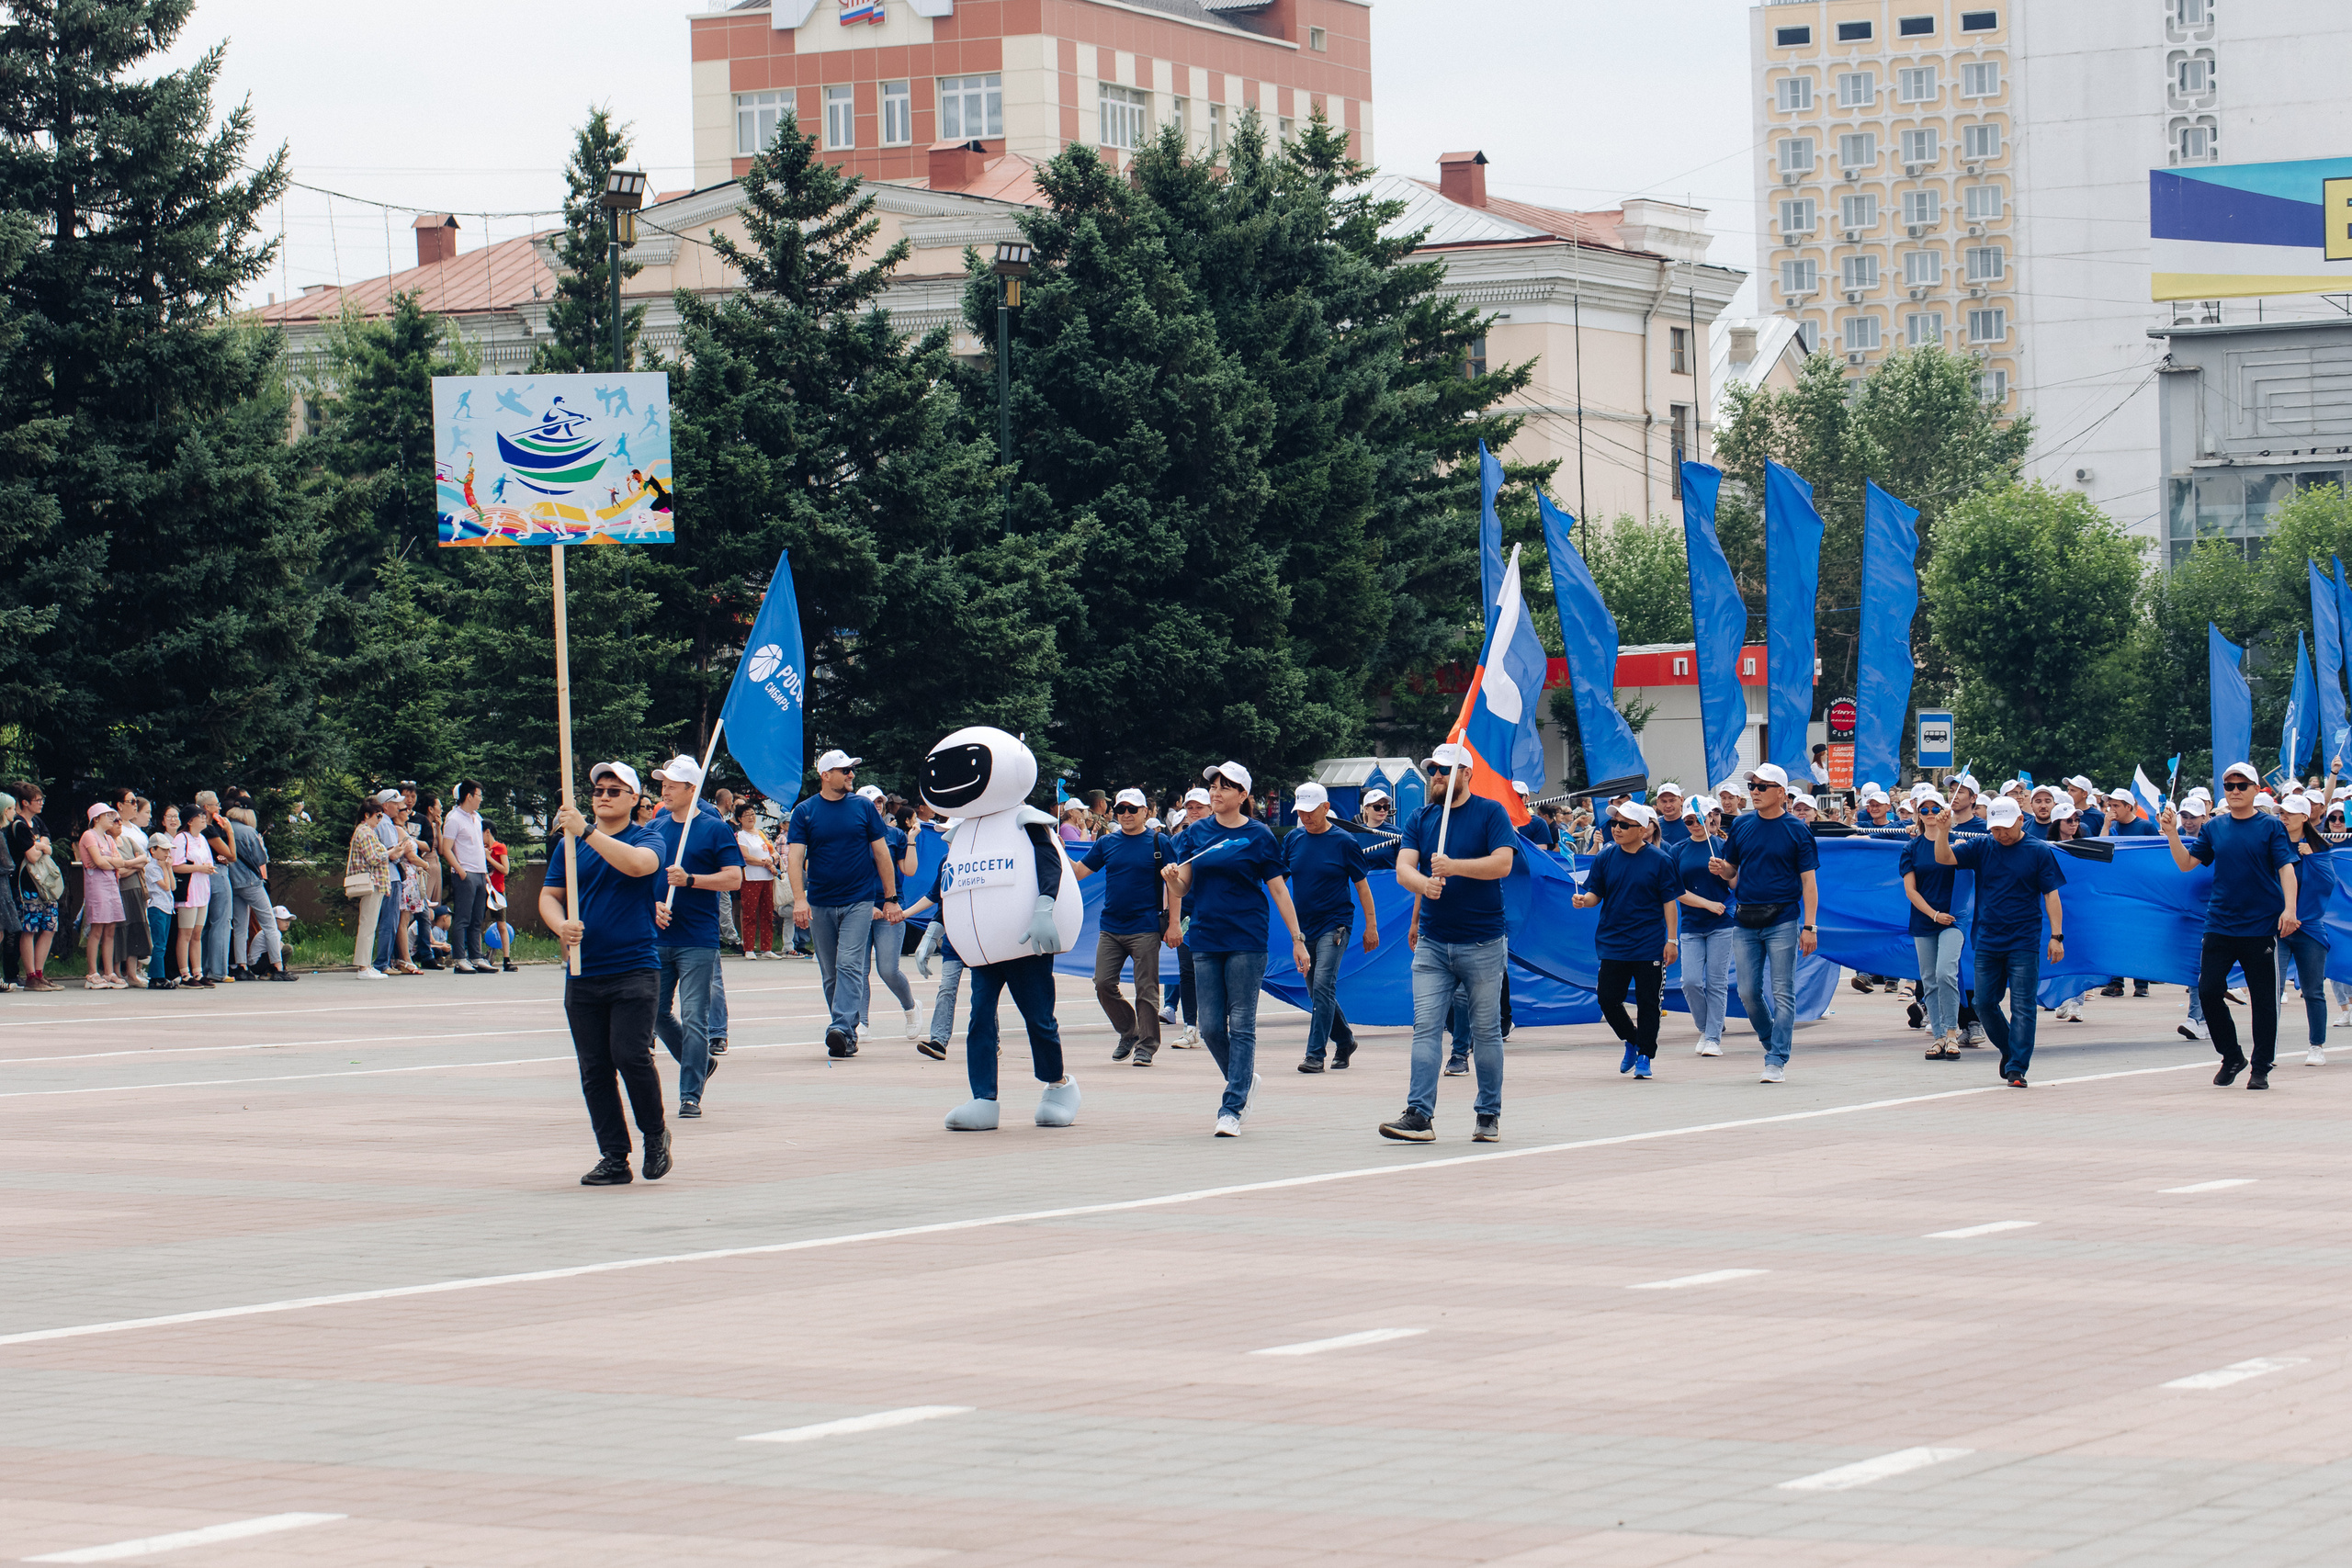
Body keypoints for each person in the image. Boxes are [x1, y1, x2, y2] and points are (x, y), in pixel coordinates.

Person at [541, 761, 672, 1187]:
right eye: (599, 789)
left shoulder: (647, 836)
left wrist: (588, 832)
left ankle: (655, 1135)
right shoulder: (568, 846)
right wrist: (560, 924)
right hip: (583, 971)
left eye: (615, 790)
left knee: (629, 1054)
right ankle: (614, 1156)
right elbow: (549, 895)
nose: (603, 796)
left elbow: (638, 866)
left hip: (633, 967)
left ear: (634, 799)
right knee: (594, 1067)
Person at [1378, 744, 1516, 1143]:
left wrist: (1453, 868)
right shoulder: (1422, 818)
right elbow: (1405, 866)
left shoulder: (1490, 813)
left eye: (1444, 769)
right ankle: (1419, 1114)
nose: (1436, 775)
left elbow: (1503, 863)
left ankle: (1488, 1115)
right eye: (1432, 769)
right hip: (1434, 943)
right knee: (1425, 1028)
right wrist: (1423, 884)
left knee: (1486, 1031)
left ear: (1466, 774)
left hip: (1483, 942)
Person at [1165, 761, 1309, 1137]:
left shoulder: (1259, 836)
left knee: (1241, 1023)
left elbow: (1278, 889)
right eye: (1213, 786)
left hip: (1246, 939)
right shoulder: (1197, 833)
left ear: (1243, 796)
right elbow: (1183, 889)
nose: (1216, 793)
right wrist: (1173, 880)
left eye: (1226, 787)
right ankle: (1242, 1080)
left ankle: (1232, 1107)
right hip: (1207, 939)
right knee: (1211, 1026)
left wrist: (1297, 939)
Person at [2164, 761, 2299, 1089]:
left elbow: (2286, 869)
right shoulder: (2214, 828)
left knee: (2264, 1001)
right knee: (2209, 990)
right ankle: (2232, 1056)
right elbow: (2186, 864)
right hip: (2220, 923)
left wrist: (2289, 909)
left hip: (2260, 926)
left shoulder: (2270, 826)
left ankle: (2261, 1067)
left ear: (2255, 789)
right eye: (2229, 786)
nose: (2235, 791)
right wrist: (2171, 833)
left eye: (2242, 785)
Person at [1930, 796, 2067, 1088]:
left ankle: (2017, 1067)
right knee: (1984, 1003)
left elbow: (2051, 895)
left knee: (2023, 1006)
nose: (2001, 834)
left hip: (2024, 940)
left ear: (2020, 820)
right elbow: (1944, 858)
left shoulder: (2038, 851)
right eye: (1996, 829)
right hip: (1989, 939)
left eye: (2006, 827)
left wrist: (2056, 936)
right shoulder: (1983, 846)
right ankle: (2010, 1049)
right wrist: (1942, 831)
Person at [786, 749, 903, 1059]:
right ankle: (846, 1034)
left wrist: (890, 899)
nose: (851, 775)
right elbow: (795, 857)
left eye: (852, 769)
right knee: (830, 972)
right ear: (825, 775)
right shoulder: (805, 811)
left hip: (859, 900)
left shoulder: (863, 808)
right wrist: (800, 899)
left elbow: (882, 854)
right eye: (844, 770)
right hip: (821, 902)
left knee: (849, 963)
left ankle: (840, 1026)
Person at [648, 754, 744, 1120]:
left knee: (694, 1016)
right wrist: (651, 905)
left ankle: (690, 1094)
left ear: (692, 789)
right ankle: (700, 1061)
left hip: (697, 940)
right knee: (654, 1012)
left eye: (672, 786)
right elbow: (642, 875)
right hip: (659, 936)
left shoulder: (713, 828)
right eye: (662, 785)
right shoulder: (656, 827)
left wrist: (691, 880)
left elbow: (734, 878)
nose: (665, 791)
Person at [1709, 763, 1819, 1083]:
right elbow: (1732, 873)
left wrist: (1810, 926)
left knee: (1783, 991)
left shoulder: (1797, 829)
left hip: (1783, 918)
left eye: (1761, 787)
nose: (1754, 791)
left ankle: (1776, 1059)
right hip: (1744, 918)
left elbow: (1809, 883)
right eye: (1752, 786)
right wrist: (1722, 870)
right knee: (1746, 992)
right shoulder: (1742, 826)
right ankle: (1773, 1042)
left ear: (1781, 793)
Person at [1575, 800, 1680, 1079]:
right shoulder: (1605, 858)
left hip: (1648, 943)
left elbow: (1670, 903)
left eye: (1624, 824)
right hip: (1613, 942)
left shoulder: (1660, 860)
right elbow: (1595, 894)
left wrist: (1672, 940)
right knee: (1607, 998)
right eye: (1614, 824)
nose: (1616, 829)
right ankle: (1632, 1039)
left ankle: (1645, 1054)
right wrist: (1583, 901)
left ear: (1643, 830)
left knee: (1648, 1002)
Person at [1281, 781, 1378, 1073]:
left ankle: (1314, 1055)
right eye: (1301, 811)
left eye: (1311, 811)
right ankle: (1345, 1040)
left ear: (1326, 808)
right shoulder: (1294, 840)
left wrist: (1371, 927)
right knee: (1316, 992)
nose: (1306, 817)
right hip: (1305, 928)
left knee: (1323, 985)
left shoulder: (1344, 842)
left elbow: (1363, 888)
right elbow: (1279, 882)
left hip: (1335, 925)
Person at [1076, 786, 1176, 1066]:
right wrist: (1050, 844)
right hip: (1111, 927)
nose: (1127, 814)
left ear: (1146, 811)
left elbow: (1175, 885)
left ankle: (1147, 1046)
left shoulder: (1159, 842)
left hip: (1145, 927)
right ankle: (1129, 1031)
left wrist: (1174, 924)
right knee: (1103, 983)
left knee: (1147, 989)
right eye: (1121, 809)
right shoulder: (1107, 843)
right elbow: (1078, 872)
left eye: (1133, 809)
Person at [1904, 790, 1965, 1059]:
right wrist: (1933, 914)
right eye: (1924, 810)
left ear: (1945, 811)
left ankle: (1953, 1031)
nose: (1930, 814)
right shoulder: (1911, 848)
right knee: (1929, 980)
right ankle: (1939, 1035)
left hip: (1953, 920)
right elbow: (1911, 891)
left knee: (1945, 973)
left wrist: (1943, 915)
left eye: (1935, 809)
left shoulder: (1959, 843)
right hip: (1925, 919)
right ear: (1918, 814)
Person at [2277, 789, 2335, 1068]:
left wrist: (2310, 857)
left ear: (2304, 816)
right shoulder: (2273, 843)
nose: (2284, 816)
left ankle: (2317, 1046)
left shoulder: (2319, 847)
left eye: (2289, 812)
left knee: (2313, 991)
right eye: (2282, 812)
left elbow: (2326, 885)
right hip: (2278, 929)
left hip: (2309, 928)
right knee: (2270, 989)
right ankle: (2267, 1048)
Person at [1673, 803, 1736, 1057]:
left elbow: (1735, 883)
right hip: (1691, 924)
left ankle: (1713, 1037)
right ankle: (1706, 1027)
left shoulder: (1722, 847)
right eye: (1689, 821)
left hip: (1722, 924)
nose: (1695, 825)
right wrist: (1707, 904)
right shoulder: (1678, 850)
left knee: (1717, 982)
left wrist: (1724, 871)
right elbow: (1676, 890)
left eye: (1699, 819)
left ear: (1710, 818)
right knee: (1689, 982)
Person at [858, 795, 922, 1042]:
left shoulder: (894, 835)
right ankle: (860, 1022)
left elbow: (909, 870)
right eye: (870, 801)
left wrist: (911, 840)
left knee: (888, 969)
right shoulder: (852, 834)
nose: (876, 805)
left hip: (891, 907)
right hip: (859, 906)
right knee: (858, 970)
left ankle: (911, 1007)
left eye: (879, 801)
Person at [1165, 786, 1214, 1046]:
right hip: (1185, 915)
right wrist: (1169, 919)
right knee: (1187, 971)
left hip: (1216, 914)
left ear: (1211, 809)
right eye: (1190, 807)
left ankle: (1217, 1022)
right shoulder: (1177, 841)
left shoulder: (1220, 837)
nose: (1194, 812)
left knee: (1214, 970)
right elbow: (1167, 881)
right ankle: (1191, 1027)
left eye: (1199, 807)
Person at [225, 807, 289, 981]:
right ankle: (278, 965)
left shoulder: (226, 829)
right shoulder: (249, 831)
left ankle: (241, 965)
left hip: (233, 881)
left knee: (240, 926)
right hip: (251, 882)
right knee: (269, 922)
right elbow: (261, 859)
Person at [75, 802, 135, 988]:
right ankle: (92, 972)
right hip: (97, 887)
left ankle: (108, 972)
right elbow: (100, 862)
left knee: (110, 929)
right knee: (97, 929)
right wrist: (109, 862)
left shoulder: (109, 839)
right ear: (97, 818)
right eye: (108, 815)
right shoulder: (89, 835)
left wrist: (107, 861)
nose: (112, 819)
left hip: (111, 885)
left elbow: (118, 862)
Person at [442, 780, 492, 974]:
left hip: (480, 872)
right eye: (479, 795)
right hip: (465, 873)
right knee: (463, 917)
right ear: (469, 796)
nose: (480, 799)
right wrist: (461, 870)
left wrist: (485, 872)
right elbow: (446, 849)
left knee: (477, 918)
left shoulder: (476, 817)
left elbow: (479, 847)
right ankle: (460, 958)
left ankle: (476, 956)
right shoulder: (453, 819)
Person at [171, 803, 219, 987]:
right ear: (190, 821)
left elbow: (208, 861)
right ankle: (184, 973)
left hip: (202, 890)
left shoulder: (203, 839)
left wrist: (207, 868)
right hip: (189, 890)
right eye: (200, 816)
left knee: (197, 933)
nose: (204, 819)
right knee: (185, 932)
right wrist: (200, 868)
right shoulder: (182, 839)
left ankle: (197, 972)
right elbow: (176, 865)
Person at [141, 804, 181, 987]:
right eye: (164, 850)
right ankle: (155, 977)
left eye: (168, 850)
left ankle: (160, 975)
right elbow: (164, 886)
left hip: (167, 907)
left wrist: (168, 868)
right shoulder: (151, 867)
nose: (167, 853)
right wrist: (166, 868)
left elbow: (172, 886)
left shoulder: (163, 866)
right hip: (156, 907)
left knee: (163, 944)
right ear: (153, 850)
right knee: (159, 944)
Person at [733, 803, 778, 959]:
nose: (751, 817)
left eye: (753, 814)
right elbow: (745, 857)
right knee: (750, 913)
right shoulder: (741, 836)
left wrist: (771, 860)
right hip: (751, 878)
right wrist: (765, 862)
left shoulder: (761, 834)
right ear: (740, 819)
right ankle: (749, 948)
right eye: (747, 815)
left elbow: (774, 853)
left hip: (767, 878)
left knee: (767, 912)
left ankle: (767, 948)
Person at [483, 825, 517, 972]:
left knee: (501, 924)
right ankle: (477, 955)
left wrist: (489, 858)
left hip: (497, 891)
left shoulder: (499, 847)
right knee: (477, 922)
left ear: (487, 832)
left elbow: (505, 869)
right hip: (483, 889)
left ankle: (506, 959)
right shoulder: (479, 847)